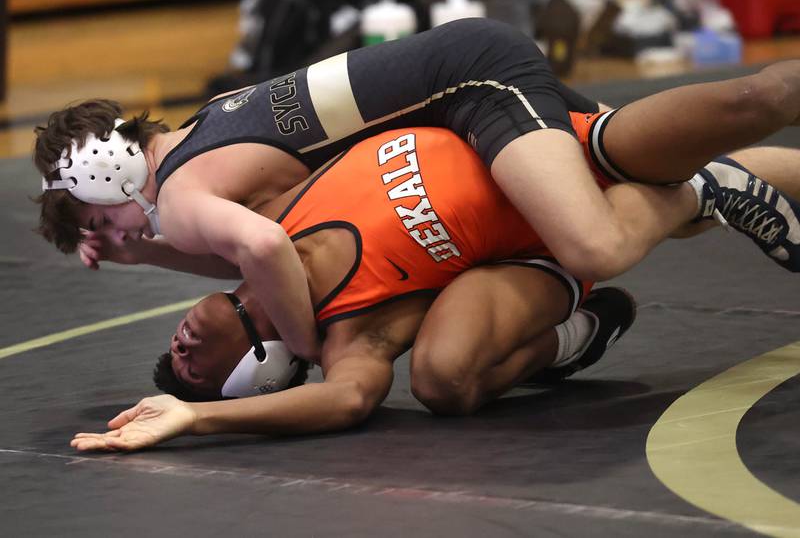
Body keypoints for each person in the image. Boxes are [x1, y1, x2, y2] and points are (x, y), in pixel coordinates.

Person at [35, 18, 800, 364]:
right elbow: (256, 238)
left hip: (474, 90)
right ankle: (708, 186)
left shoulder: (181, 196)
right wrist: (150, 256)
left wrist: (300, 349)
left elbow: (265, 248)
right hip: (466, 79)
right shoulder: (198, 134)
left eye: (99, 221)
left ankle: (704, 192)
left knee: (593, 238)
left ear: (104, 178)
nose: (119, 231)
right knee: (671, 147)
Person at [69, 126, 800, 452]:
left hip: (509, 134)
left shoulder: (253, 238)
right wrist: (193, 420)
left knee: (736, 113)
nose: (183, 342)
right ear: (254, 372)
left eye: (175, 348)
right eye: (193, 368)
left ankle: (705, 190)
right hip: (526, 238)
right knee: (443, 380)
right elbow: (350, 396)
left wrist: (143, 254)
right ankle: (574, 330)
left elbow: (230, 238)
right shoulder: (347, 338)